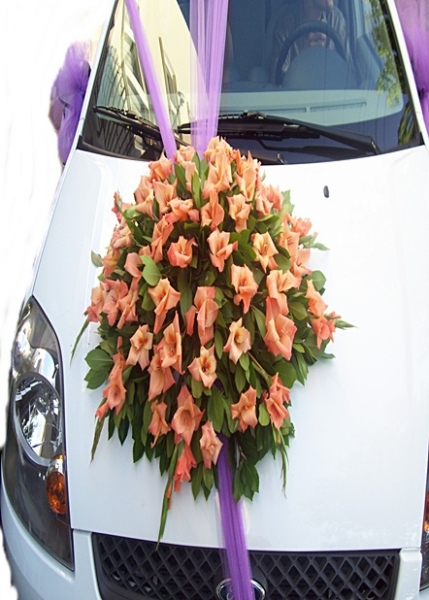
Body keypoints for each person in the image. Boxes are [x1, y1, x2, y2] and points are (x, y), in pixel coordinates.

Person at [270, 0, 349, 83]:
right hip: (297, 90)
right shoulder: (286, 24)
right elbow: (276, 82)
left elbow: (349, 76)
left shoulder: (337, 20)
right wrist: (304, 59)